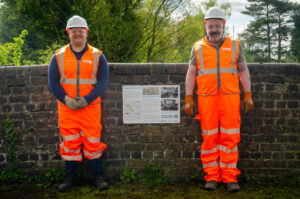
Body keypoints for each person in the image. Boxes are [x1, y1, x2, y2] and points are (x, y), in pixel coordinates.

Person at [184, 7, 254, 193]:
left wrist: (247, 93)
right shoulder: (197, 47)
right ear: (205, 26)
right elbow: (191, 73)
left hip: (230, 99)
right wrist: (188, 96)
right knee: (209, 139)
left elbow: (243, 70)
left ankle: (230, 177)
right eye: (210, 26)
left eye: (217, 26)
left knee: (230, 138)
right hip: (207, 100)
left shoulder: (235, 45)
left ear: (223, 25)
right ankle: (212, 177)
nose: (214, 29)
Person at [48, 15, 109, 192]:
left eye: (80, 31)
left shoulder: (98, 56)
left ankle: (97, 175)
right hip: (67, 109)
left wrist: (86, 100)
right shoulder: (58, 56)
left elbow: (103, 82)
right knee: (70, 144)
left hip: (90, 109)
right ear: (68, 33)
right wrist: (65, 99)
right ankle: (70, 177)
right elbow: (53, 82)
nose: (77, 35)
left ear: (86, 32)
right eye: (74, 31)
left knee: (93, 143)